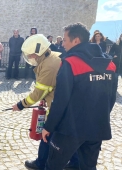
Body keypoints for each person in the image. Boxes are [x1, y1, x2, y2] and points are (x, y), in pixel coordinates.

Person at [42, 23, 118, 170]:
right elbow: (111, 98)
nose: (62, 43)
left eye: (64, 40)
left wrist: (49, 126)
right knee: (88, 167)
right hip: (97, 127)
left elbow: (60, 100)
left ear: (76, 41)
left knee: (53, 165)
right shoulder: (111, 66)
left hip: (69, 129)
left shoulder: (70, 63)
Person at [12, 34, 79, 170]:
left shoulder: (49, 65)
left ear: (38, 51)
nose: (30, 58)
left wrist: (20, 105)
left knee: (47, 134)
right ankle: (74, 162)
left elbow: (38, 93)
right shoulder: (51, 57)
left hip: (58, 108)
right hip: (67, 106)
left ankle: (41, 163)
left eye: (31, 55)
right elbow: (49, 87)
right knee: (69, 137)